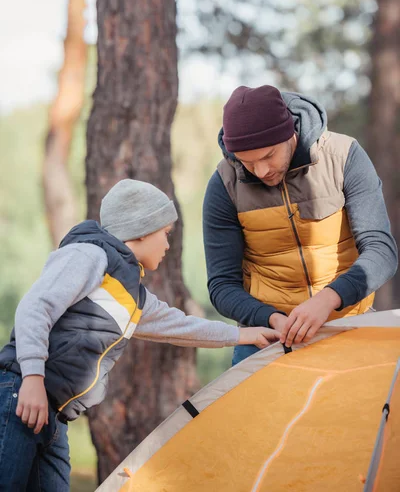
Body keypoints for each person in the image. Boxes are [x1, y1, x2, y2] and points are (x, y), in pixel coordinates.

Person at [0, 179, 278, 491]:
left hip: (56, 416)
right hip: (22, 393)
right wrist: (33, 378)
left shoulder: (133, 295)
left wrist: (249, 335)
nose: (168, 245)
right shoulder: (90, 255)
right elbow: (35, 308)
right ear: (142, 229)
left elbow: (182, 327)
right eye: (166, 233)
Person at [203, 85, 398, 366]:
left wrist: (329, 299)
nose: (261, 171)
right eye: (247, 162)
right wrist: (272, 319)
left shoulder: (344, 156)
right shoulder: (225, 185)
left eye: (268, 156)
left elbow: (382, 251)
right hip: (269, 338)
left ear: (289, 133)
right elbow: (222, 285)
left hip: (351, 326)